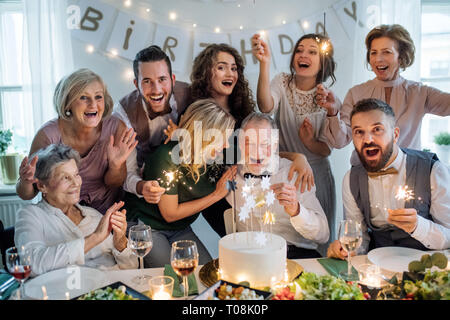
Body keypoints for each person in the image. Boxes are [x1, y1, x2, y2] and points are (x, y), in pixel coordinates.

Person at [165, 43, 316, 237]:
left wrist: (297, 157)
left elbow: (260, 150)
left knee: (255, 239)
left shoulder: (244, 113)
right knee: (235, 243)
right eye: (221, 67)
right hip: (213, 195)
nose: (229, 73)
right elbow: (182, 151)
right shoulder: (195, 113)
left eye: (234, 68)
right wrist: (181, 137)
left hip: (240, 187)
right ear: (206, 73)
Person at [327, 99, 450, 260]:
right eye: (359, 132)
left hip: (427, 268)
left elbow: (448, 237)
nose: (368, 139)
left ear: (395, 134)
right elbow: (360, 239)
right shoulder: (351, 179)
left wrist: (418, 226)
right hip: (376, 269)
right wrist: (347, 249)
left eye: (377, 129)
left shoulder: (432, 170)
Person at [123, 99, 237, 267]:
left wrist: (291, 157)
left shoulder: (215, 156)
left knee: (205, 273)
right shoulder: (166, 157)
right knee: (172, 279)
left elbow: (253, 152)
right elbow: (170, 213)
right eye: (223, 138)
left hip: (181, 229)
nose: (226, 145)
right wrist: (216, 195)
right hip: (148, 227)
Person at [251, 33, 338, 246]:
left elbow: (327, 149)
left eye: (312, 51)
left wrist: (309, 143)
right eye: (299, 50)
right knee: (286, 235)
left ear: (323, 61)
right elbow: (265, 107)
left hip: (317, 173)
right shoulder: (282, 82)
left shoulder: (328, 97)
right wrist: (265, 63)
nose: (303, 55)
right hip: (285, 171)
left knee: (320, 237)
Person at [16, 68, 137, 214]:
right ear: (67, 104)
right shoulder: (47, 136)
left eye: (98, 97)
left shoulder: (115, 127)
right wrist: (26, 181)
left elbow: (115, 183)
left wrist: (116, 166)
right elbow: (27, 194)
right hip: (62, 217)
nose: (93, 104)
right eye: (83, 98)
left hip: (106, 215)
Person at [14, 144, 138, 276]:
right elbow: (31, 265)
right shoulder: (31, 215)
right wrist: (95, 237)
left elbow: (132, 268)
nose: (76, 183)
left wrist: (120, 242)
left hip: (115, 289)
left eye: (76, 174)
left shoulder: (93, 215)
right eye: (65, 177)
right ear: (42, 186)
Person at [322, 24, 450, 151]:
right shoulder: (356, 93)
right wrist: (332, 113)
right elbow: (339, 141)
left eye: (386, 52)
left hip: (408, 170)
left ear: (401, 57)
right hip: (366, 171)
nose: (378, 59)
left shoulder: (420, 92)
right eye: (373, 53)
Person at [226, 113, 329, 258]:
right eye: (251, 144)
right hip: (251, 257)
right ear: (241, 144)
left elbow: (323, 235)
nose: (258, 152)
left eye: (265, 144)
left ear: (274, 145)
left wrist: (297, 211)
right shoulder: (231, 177)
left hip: (294, 253)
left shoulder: (296, 174)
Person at [113, 45, 191, 204]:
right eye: (147, 81)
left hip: (184, 187)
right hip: (142, 196)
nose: (156, 90)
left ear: (173, 80)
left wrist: (185, 135)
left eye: (162, 79)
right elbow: (126, 172)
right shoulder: (123, 113)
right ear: (136, 84)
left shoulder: (191, 95)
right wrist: (142, 187)